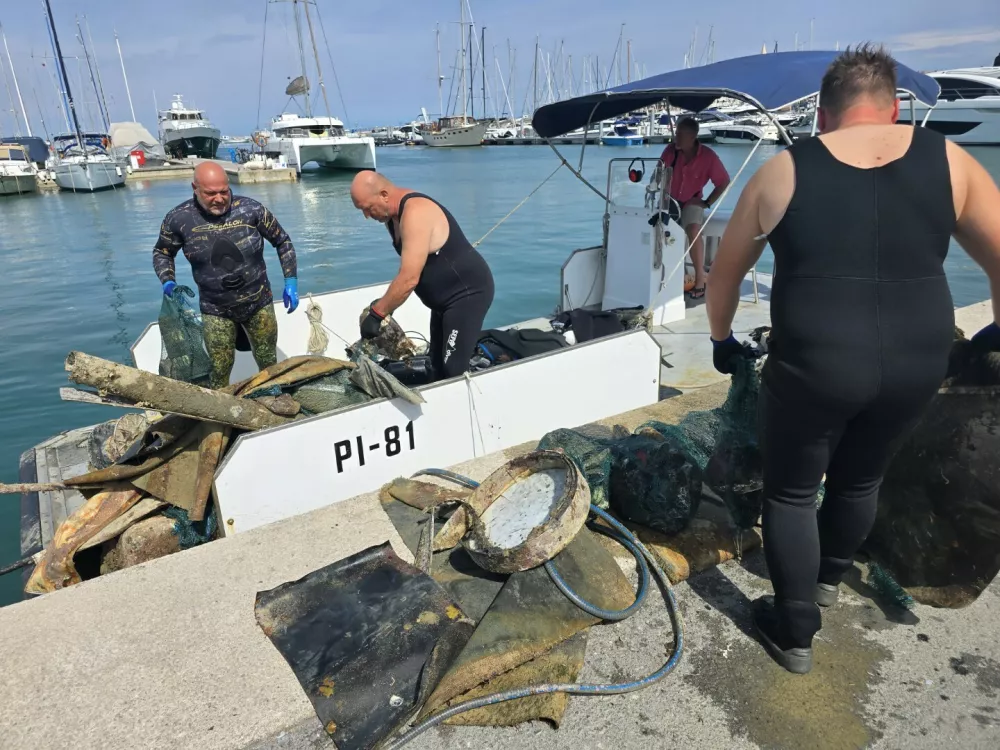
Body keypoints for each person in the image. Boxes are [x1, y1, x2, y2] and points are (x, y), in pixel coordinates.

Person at [705, 44, 1000, 674]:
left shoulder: (783, 171)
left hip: (815, 362)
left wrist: (722, 338)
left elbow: (724, 276)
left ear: (821, 115)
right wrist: (995, 331)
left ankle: (793, 631)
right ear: (895, 108)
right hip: (919, 358)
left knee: (789, 495)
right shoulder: (950, 160)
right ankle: (829, 580)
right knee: (861, 479)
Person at [153, 162, 299, 389]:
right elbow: (162, 252)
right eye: (210, 193)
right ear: (195, 188)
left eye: (224, 191)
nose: (219, 198)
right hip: (215, 310)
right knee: (219, 369)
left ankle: (275, 399)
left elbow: (282, 241)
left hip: (259, 302)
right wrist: (168, 281)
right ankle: (221, 415)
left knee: (268, 362)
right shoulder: (178, 219)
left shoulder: (251, 209)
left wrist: (291, 280)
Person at [349, 172, 495, 381]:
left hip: (467, 295)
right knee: (435, 366)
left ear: (384, 195)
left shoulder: (415, 212)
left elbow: (409, 278)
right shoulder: (392, 219)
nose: (366, 215)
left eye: (367, 208)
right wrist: (383, 304)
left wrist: (378, 314)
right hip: (442, 303)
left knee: (453, 371)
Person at [660, 116, 731, 299]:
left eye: (680, 134)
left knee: (693, 229)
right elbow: (658, 175)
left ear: (692, 137)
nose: (676, 137)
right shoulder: (670, 151)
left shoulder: (708, 157)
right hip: (669, 201)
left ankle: (700, 278)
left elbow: (723, 182)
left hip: (692, 201)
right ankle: (670, 276)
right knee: (662, 232)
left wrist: (707, 202)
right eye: (676, 133)